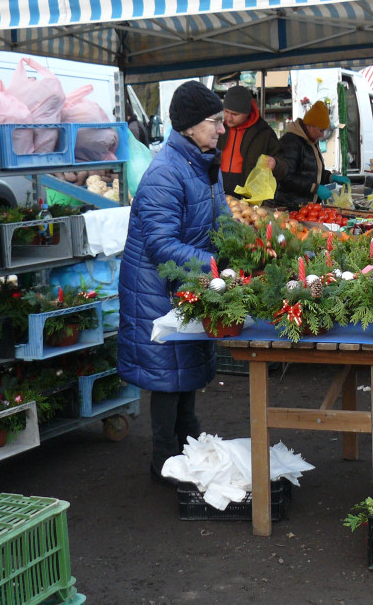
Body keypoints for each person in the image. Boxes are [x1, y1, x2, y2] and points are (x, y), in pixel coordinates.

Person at [118, 80, 228, 484]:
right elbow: (162, 245)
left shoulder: (203, 163)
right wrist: (217, 266)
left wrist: (248, 250)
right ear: (189, 127)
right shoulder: (165, 173)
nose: (221, 129)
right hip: (157, 292)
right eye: (214, 122)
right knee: (167, 378)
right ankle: (164, 463)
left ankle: (187, 451)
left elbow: (224, 222)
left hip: (186, 287)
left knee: (186, 374)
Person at [275, 100, 349, 205]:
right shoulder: (291, 142)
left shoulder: (311, 142)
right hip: (290, 205)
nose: (322, 135)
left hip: (307, 207)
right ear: (309, 125)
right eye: (321, 130)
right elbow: (286, 177)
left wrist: (330, 177)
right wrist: (314, 188)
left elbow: (312, 172)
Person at [217, 85, 286, 196]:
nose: (229, 118)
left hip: (249, 197)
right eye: (226, 112)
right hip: (217, 193)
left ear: (247, 112)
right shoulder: (217, 128)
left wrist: (275, 164)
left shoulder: (263, 133)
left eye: (235, 114)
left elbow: (284, 166)